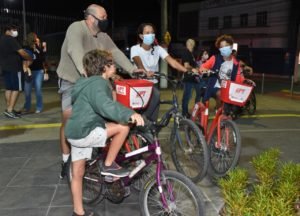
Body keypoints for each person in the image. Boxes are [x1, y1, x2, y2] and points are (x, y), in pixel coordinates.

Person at [56, 4, 143, 179]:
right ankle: (66, 159)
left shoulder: (102, 36)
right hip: (72, 81)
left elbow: (115, 52)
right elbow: (75, 50)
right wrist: (85, 73)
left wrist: (132, 69)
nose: (106, 20)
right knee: (69, 117)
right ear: (90, 18)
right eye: (103, 17)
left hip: (95, 80)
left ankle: (104, 151)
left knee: (110, 105)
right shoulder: (76, 28)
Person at [65, 49, 144, 216]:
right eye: (112, 63)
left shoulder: (84, 83)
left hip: (73, 133)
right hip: (86, 132)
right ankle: (108, 165)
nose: (114, 65)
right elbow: (106, 106)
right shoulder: (98, 84)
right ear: (104, 68)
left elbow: (93, 108)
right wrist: (130, 114)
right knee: (123, 127)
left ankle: (78, 212)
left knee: (77, 173)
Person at [130, 23, 195, 121]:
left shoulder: (158, 49)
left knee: (155, 113)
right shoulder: (135, 48)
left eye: (152, 32)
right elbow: (138, 62)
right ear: (141, 36)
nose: (151, 35)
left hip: (154, 84)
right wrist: (145, 71)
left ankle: (152, 134)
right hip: (140, 85)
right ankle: (143, 120)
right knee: (155, 96)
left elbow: (172, 61)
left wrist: (187, 71)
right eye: (147, 33)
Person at [199, 34, 244, 109]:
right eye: (222, 47)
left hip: (229, 88)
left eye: (226, 46)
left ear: (231, 47)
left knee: (234, 105)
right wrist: (208, 71)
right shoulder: (215, 58)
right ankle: (219, 112)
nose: (224, 48)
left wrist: (244, 81)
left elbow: (239, 77)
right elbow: (202, 68)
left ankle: (222, 112)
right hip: (214, 86)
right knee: (220, 93)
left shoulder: (236, 63)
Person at [0, 24, 32, 119]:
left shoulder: (1, 39)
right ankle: (10, 110)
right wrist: (30, 58)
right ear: (8, 30)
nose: (15, 31)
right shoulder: (11, 39)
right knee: (16, 89)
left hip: (5, 67)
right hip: (15, 68)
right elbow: (22, 52)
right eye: (14, 29)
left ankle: (9, 108)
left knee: (9, 88)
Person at [181, 39, 207, 118]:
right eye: (190, 43)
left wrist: (199, 68)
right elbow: (186, 66)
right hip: (189, 78)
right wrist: (193, 69)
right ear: (187, 44)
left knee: (199, 93)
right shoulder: (186, 53)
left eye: (193, 43)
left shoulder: (191, 54)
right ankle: (184, 113)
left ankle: (196, 110)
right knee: (187, 96)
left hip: (195, 78)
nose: (192, 44)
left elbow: (193, 65)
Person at [23, 32, 47, 113]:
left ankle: (39, 107)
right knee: (27, 91)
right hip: (29, 71)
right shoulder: (26, 48)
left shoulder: (37, 47)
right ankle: (27, 107)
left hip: (38, 71)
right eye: (36, 37)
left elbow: (42, 58)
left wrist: (42, 48)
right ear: (32, 38)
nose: (37, 38)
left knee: (38, 89)